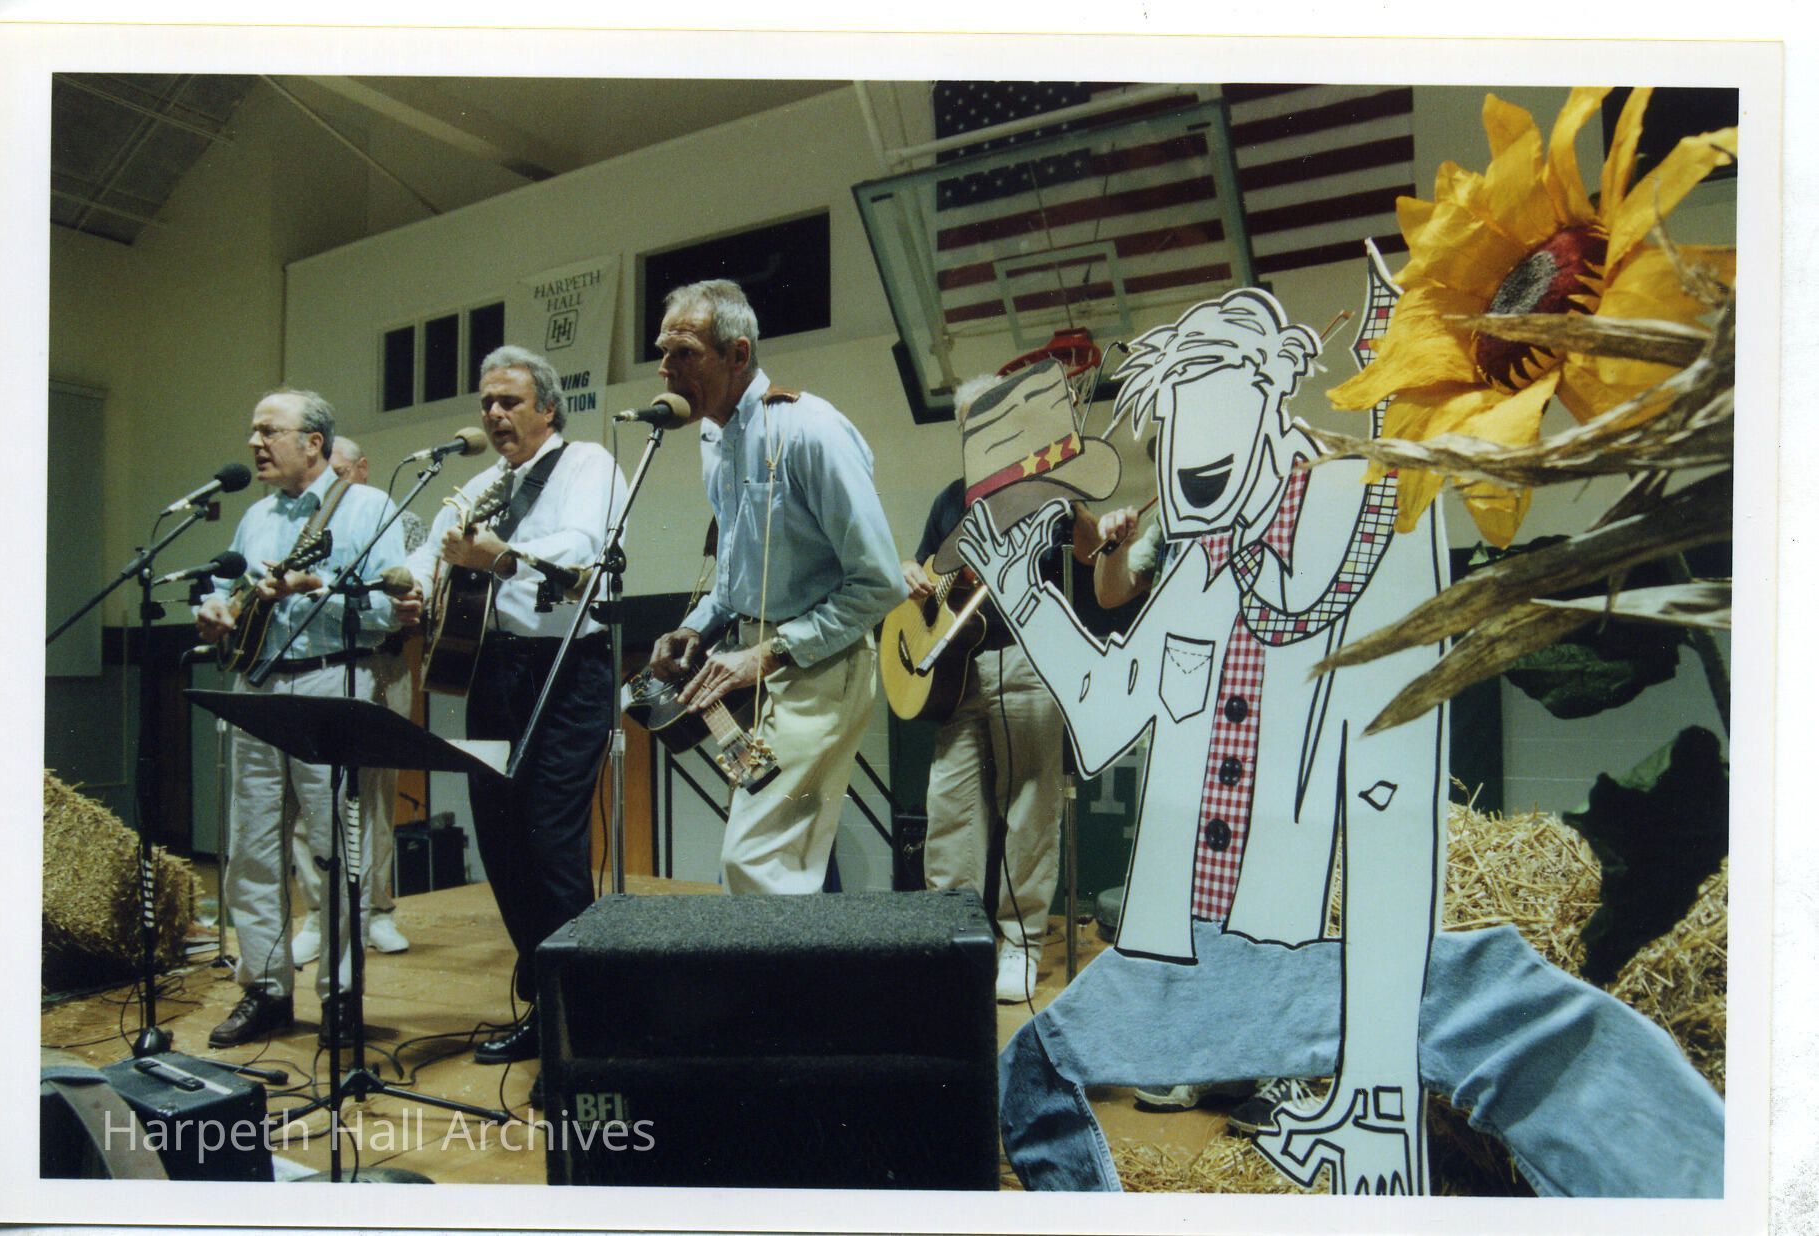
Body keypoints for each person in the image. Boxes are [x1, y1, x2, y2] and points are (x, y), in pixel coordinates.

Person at [958, 290, 1722, 1195]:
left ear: (1271, 402)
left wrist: (1376, 1083)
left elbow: (1390, 797)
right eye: (1171, 446)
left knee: (1505, 1004)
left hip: (1307, 938)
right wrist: (1028, 597)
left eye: (1209, 443)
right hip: (1192, 944)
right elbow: (1105, 709)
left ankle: (1701, 1193)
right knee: (1030, 1068)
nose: (1187, 472)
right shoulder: (1200, 558)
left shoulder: (1370, 527)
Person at [403, 345, 628, 1067]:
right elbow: (435, 544)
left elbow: (579, 550)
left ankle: (580, 1027)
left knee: (551, 842)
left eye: (510, 402)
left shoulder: (587, 464)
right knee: (498, 836)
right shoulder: (485, 482)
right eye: (486, 404)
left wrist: (499, 556)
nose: (494, 414)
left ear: (549, 409)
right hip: (493, 672)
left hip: (564, 670)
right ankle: (544, 998)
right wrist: (410, 583)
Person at [647, 279, 903, 894]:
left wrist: (768, 654)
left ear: (737, 354)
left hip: (817, 667)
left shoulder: (811, 430)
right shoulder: (715, 438)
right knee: (788, 851)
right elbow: (738, 570)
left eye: (685, 353)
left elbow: (880, 583)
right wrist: (696, 626)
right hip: (746, 666)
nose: (665, 369)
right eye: (664, 352)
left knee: (754, 862)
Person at [194, 389, 412, 1049]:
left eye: (270, 431)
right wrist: (215, 610)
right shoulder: (255, 516)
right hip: (258, 685)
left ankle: (340, 996)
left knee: (336, 850)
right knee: (253, 850)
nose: (255, 443)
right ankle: (265, 991)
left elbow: (392, 609)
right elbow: (228, 588)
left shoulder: (367, 507)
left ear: (313, 442)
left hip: (331, 679)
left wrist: (317, 589)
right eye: (254, 431)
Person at [905, 371, 1105, 1004]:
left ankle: (1020, 944)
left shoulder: (1042, 485)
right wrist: (910, 571)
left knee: (1028, 809)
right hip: (956, 672)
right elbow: (926, 564)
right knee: (951, 811)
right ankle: (954, 944)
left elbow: (1089, 551)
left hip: (1024, 660)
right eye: (969, 424)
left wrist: (1076, 497)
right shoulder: (950, 498)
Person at [289, 436, 417, 964]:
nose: (331, 483)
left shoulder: (403, 523)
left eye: (340, 472)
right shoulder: (306, 524)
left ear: (363, 469)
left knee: (376, 794)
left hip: (382, 663)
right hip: (320, 668)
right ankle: (318, 915)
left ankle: (379, 911)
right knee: (313, 796)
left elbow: (426, 593)